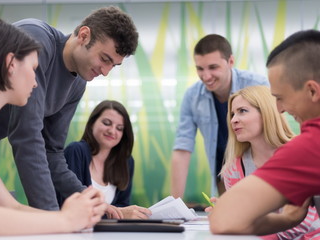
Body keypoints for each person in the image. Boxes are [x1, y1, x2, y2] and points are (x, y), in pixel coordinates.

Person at [0, 18, 107, 237]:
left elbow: (12, 207)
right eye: (34, 68)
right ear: (11, 65)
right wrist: (64, 219)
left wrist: (71, 216)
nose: (37, 82)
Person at [0, 6, 139, 211]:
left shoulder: (78, 83)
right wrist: (53, 218)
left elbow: (51, 151)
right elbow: (27, 136)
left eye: (113, 65)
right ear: (84, 35)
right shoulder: (36, 39)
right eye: (105, 59)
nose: (105, 71)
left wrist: (93, 200)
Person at [209, 29, 320, 237]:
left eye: (281, 97)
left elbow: (224, 219)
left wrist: (288, 218)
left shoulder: (308, 148)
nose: (280, 109)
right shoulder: (234, 167)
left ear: (312, 91)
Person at [170, 34, 269, 199]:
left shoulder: (258, 85)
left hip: (260, 171)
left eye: (213, 67)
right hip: (225, 174)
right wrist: (174, 203)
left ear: (230, 61)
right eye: (200, 69)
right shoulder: (192, 96)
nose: (206, 76)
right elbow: (182, 148)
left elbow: (274, 132)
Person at [57, 100, 151, 219]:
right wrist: (119, 215)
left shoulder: (126, 161)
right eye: (107, 123)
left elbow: (123, 205)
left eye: (119, 128)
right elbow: (73, 208)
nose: (112, 131)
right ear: (92, 123)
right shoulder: (76, 151)